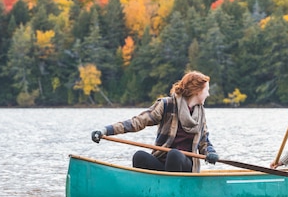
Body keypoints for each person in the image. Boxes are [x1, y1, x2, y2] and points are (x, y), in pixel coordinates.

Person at [91, 70, 219, 173]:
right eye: (206, 90)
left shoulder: (201, 114)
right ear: (197, 91)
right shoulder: (167, 104)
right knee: (139, 156)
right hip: (162, 163)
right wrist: (105, 130)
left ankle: (172, 194)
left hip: (184, 167)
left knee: (174, 154)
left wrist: (211, 153)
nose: (208, 94)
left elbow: (204, 142)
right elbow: (138, 122)